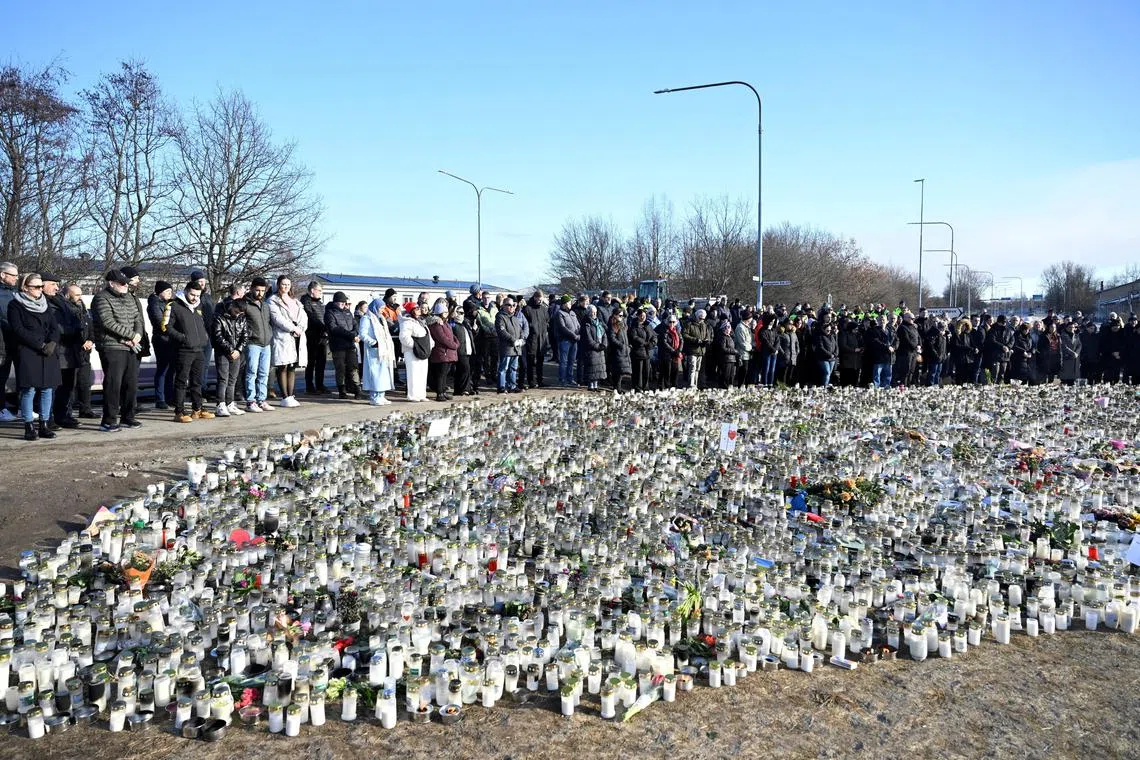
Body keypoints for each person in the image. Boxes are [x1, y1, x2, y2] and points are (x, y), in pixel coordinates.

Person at [6, 273, 61, 440]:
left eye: (41, 286)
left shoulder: (45, 305)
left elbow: (54, 327)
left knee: (47, 389)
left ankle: (44, 424)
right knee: (28, 389)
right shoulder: (15, 305)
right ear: (25, 287)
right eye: (36, 286)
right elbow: (19, 330)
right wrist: (40, 345)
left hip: (48, 352)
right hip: (29, 351)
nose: (40, 289)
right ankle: (29, 425)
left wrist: (52, 342)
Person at [91, 269, 145, 432]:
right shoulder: (101, 298)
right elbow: (107, 322)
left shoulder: (130, 298)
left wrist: (137, 335)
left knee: (131, 384)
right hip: (112, 346)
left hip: (131, 346)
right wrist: (129, 336)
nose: (125, 286)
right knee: (114, 384)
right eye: (122, 284)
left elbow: (138, 319)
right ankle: (108, 420)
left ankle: (128, 417)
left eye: (126, 283)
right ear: (111, 284)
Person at [161, 280, 215, 423]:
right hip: (184, 350)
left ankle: (197, 409)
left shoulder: (199, 306)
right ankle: (179, 411)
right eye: (192, 294)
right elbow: (166, 326)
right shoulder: (174, 306)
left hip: (199, 349)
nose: (195, 298)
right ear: (185, 291)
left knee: (197, 381)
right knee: (181, 381)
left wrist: (204, 337)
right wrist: (182, 338)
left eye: (197, 295)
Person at [267, 275, 308, 408]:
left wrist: (301, 328)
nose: (285, 287)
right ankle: (284, 396)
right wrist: (293, 328)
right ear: (278, 285)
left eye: (288, 284)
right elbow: (277, 319)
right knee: (283, 365)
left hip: (297, 336)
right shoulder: (273, 300)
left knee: (292, 366)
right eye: (283, 284)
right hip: (283, 337)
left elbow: (304, 316)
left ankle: (291, 395)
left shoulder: (295, 301)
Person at [61, 285, 96, 420]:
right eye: (76, 295)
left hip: (85, 353)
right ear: (68, 295)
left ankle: (85, 409)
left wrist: (90, 340)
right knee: (70, 385)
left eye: (80, 294)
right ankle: (66, 413)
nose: (80, 297)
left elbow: (91, 328)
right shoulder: (65, 310)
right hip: (71, 353)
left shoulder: (84, 311)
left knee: (85, 383)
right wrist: (79, 341)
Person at [241, 277, 274, 413]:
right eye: (257, 290)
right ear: (251, 289)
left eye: (262, 290)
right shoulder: (246, 304)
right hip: (252, 343)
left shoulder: (265, 306)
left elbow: (268, 322)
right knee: (251, 372)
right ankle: (251, 400)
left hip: (266, 343)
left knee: (264, 373)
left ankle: (261, 399)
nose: (260, 293)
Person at [211, 297, 249, 417]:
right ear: (232, 306)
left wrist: (238, 350)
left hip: (237, 352)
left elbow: (245, 335)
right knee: (223, 379)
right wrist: (230, 350)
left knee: (233, 379)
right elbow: (217, 335)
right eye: (237, 312)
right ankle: (220, 405)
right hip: (223, 352)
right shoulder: (219, 316)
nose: (238, 315)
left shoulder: (242, 318)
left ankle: (230, 403)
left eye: (241, 313)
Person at [324, 291, 361, 399]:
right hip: (338, 345)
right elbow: (334, 328)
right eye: (340, 302)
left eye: (344, 303)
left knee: (353, 367)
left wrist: (355, 334)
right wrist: (351, 335)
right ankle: (342, 390)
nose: (343, 305)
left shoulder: (348, 312)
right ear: (335, 302)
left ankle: (356, 388)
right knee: (340, 368)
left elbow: (355, 325)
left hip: (350, 344)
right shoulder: (330, 313)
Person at [358, 297, 396, 405]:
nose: (382, 310)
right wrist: (374, 342)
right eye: (380, 308)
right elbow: (363, 334)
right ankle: (374, 396)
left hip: (384, 350)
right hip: (374, 350)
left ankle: (381, 395)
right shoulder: (367, 318)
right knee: (375, 374)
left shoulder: (381, 318)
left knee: (383, 374)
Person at [147, 280, 176, 410]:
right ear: (160, 292)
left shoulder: (170, 304)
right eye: (167, 291)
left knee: (172, 370)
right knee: (162, 369)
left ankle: (170, 396)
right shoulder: (154, 304)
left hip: (171, 339)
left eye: (171, 291)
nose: (170, 293)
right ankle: (160, 398)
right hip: (161, 339)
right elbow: (160, 322)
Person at [426, 299, 459, 401]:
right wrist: (454, 345)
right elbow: (442, 338)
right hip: (441, 352)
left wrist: (456, 343)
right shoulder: (436, 324)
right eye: (444, 312)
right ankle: (439, 393)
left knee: (445, 374)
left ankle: (443, 391)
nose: (446, 313)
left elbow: (451, 335)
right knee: (441, 374)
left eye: (446, 312)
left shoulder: (445, 323)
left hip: (448, 352)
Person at [399, 301, 432, 401]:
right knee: (414, 373)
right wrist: (415, 346)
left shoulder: (421, 321)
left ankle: (421, 395)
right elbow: (404, 337)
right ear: (411, 311)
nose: (419, 310)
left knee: (422, 373)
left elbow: (427, 335)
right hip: (412, 351)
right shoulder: (407, 322)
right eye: (417, 308)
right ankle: (412, 395)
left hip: (423, 350)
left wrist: (430, 345)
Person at [300, 280, 329, 395]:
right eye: (319, 291)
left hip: (322, 337)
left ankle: (320, 385)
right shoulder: (305, 302)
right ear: (312, 290)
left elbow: (324, 317)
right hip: (311, 336)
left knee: (321, 362)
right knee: (311, 362)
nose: (321, 293)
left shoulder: (321, 304)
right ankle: (309, 386)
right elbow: (311, 317)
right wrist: (323, 327)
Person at [0, 261, 18, 421]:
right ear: (2, 275)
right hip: (2, 343)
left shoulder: (14, 293)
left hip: (14, 341)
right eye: (13, 275)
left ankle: (21, 408)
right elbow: (6, 318)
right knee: (1, 375)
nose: (16, 279)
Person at [495, 298, 524, 393]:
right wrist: (513, 340)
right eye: (509, 305)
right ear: (503, 306)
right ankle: (501, 387)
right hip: (507, 347)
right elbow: (502, 331)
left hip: (516, 347)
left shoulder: (515, 318)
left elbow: (520, 330)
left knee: (513, 368)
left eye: (513, 305)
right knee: (503, 368)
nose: (511, 307)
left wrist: (521, 339)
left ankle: (512, 385)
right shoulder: (500, 317)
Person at [522, 290, 550, 389]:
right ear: (535, 298)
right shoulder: (527, 309)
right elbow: (523, 324)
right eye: (539, 298)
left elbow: (547, 321)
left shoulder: (544, 309)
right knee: (531, 362)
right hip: (532, 339)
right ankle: (531, 381)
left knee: (540, 362)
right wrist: (531, 327)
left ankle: (540, 380)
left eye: (542, 299)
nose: (540, 300)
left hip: (542, 338)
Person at [579, 304, 608, 391]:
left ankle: (596, 385)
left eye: (595, 312)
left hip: (600, 349)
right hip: (591, 350)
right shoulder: (586, 324)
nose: (594, 314)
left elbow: (604, 335)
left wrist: (603, 344)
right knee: (591, 368)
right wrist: (596, 346)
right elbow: (588, 338)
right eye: (592, 312)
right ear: (588, 313)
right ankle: (590, 385)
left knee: (598, 368)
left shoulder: (599, 323)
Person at [681, 309, 712, 389]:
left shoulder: (704, 325)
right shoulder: (689, 324)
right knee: (692, 367)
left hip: (701, 349)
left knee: (698, 368)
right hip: (692, 349)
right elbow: (684, 334)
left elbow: (707, 335)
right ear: (697, 316)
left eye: (703, 319)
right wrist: (695, 340)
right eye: (700, 318)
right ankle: (691, 385)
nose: (701, 320)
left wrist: (706, 340)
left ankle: (695, 384)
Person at [554, 295, 580, 387]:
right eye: (569, 302)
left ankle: (570, 378)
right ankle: (562, 380)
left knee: (571, 361)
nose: (570, 304)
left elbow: (577, 325)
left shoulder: (572, 313)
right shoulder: (559, 313)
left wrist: (579, 333)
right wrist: (574, 335)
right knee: (563, 361)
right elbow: (563, 327)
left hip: (574, 341)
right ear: (564, 304)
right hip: (565, 340)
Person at [452, 305, 478, 396]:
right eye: (459, 313)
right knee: (464, 369)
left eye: (463, 313)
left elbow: (469, 337)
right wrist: (452, 315)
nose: (461, 315)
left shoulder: (465, 324)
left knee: (466, 370)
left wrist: (474, 330)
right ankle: (464, 389)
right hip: (460, 350)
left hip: (468, 350)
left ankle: (463, 389)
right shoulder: (453, 324)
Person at [629, 308, 656, 392]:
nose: (643, 317)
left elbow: (654, 335)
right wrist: (645, 343)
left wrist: (653, 342)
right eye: (641, 315)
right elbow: (634, 337)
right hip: (638, 351)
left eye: (644, 315)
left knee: (646, 370)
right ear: (637, 316)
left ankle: (645, 386)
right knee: (638, 370)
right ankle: (638, 387)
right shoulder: (634, 325)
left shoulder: (648, 325)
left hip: (647, 351)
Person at [606, 310, 632, 392]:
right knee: (617, 370)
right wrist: (621, 345)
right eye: (620, 315)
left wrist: (628, 346)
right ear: (615, 315)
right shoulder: (612, 325)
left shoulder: (623, 324)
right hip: (617, 351)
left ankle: (618, 387)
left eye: (622, 316)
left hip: (624, 350)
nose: (621, 317)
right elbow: (612, 338)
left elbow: (625, 336)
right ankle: (617, 388)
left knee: (621, 370)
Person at [894, 312, 922, 387]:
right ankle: (903, 386)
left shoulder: (913, 327)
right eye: (911, 318)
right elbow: (906, 340)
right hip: (906, 352)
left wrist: (919, 345)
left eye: (913, 318)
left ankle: (908, 385)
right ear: (905, 318)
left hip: (914, 352)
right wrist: (915, 347)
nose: (913, 320)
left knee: (912, 370)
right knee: (905, 371)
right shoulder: (902, 327)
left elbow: (918, 337)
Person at [837, 317, 863, 387]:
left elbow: (862, 344)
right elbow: (843, 346)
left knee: (855, 379)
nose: (857, 330)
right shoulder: (844, 334)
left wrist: (862, 349)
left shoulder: (858, 335)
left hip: (856, 361)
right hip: (847, 361)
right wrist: (854, 350)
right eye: (855, 329)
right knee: (846, 380)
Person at [813, 319, 839, 387]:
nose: (829, 332)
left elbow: (836, 346)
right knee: (827, 372)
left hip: (832, 358)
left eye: (830, 330)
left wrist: (835, 354)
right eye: (827, 330)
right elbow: (821, 347)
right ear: (823, 330)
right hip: (823, 358)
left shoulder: (832, 336)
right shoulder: (820, 337)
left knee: (829, 373)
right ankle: (825, 386)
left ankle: (826, 385)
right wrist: (830, 355)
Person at [733, 309, 755, 387]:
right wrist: (751, 348)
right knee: (743, 371)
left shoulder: (747, 327)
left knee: (747, 372)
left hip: (747, 354)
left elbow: (750, 340)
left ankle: (744, 386)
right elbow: (742, 343)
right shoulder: (740, 327)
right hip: (742, 353)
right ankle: (740, 386)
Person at [715, 321, 738, 389]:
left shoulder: (730, 337)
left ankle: (729, 388)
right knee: (725, 376)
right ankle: (724, 389)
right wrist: (734, 351)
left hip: (732, 359)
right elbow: (723, 348)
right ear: (723, 329)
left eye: (729, 327)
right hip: (726, 360)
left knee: (731, 376)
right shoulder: (723, 337)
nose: (728, 329)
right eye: (726, 327)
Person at [1059, 321, 1082, 386]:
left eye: (1073, 327)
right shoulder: (1062, 335)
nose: (1071, 328)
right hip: (1066, 358)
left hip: (1075, 359)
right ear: (1066, 327)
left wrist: (1076, 353)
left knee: (1073, 380)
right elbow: (1064, 346)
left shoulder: (1076, 336)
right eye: (1070, 327)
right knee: (1065, 380)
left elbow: (1079, 345)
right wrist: (1073, 353)